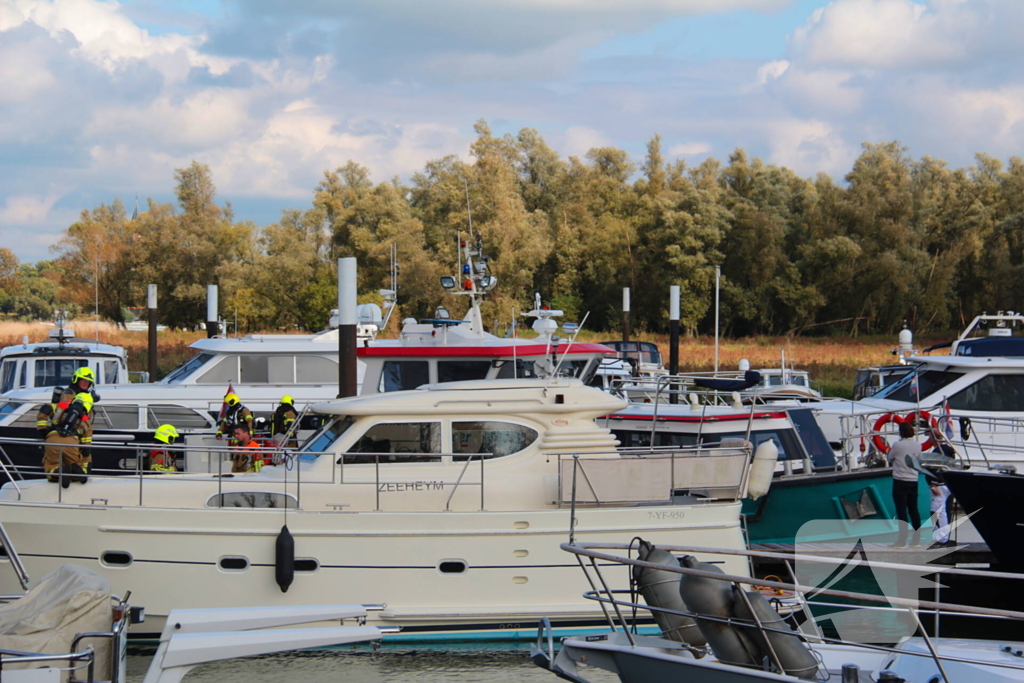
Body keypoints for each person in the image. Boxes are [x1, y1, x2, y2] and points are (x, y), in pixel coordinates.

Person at [43, 392, 94, 488]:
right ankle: (75, 473)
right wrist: (86, 466)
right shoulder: (86, 422)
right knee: (77, 465)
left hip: (52, 439)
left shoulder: (61, 411)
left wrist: (42, 431)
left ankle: (58, 471)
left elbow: (45, 415)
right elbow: (86, 449)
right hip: (71, 442)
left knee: (51, 465)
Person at [888, 421, 923, 548]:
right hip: (913, 480)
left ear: (901, 432)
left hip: (900, 481)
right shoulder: (918, 445)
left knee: (901, 511)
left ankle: (901, 541)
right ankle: (916, 540)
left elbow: (890, 458)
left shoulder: (897, 445)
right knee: (914, 510)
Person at [36, 367, 98, 438]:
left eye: (88, 381)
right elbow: (62, 406)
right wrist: (43, 431)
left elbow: (88, 415)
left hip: (79, 426)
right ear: (76, 379)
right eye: (83, 380)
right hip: (61, 423)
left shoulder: (87, 396)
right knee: (45, 408)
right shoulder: (68, 392)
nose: (85, 383)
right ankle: (43, 433)